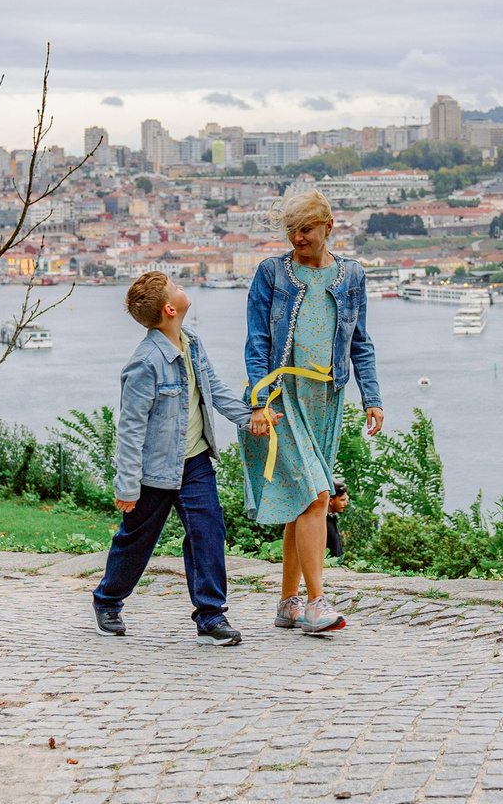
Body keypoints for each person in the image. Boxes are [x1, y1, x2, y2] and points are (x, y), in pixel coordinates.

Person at [244, 187, 382, 635]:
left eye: (305, 229)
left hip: (327, 400)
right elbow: (257, 342)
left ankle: (287, 603)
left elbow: (360, 343)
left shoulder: (352, 275)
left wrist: (373, 398)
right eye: (291, 230)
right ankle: (316, 604)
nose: (297, 239)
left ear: (329, 226)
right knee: (318, 496)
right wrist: (259, 403)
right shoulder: (271, 273)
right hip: (282, 398)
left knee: (304, 500)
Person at [100, 271, 250, 645]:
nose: (184, 289)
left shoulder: (192, 343)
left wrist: (250, 418)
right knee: (136, 540)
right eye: (177, 288)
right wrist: (127, 485)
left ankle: (211, 617)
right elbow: (130, 429)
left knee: (208, 532)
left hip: (196, 462)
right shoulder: (144, 364)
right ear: (170, 308)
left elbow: (213, 388)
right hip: (153, 472)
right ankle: (107, 599)